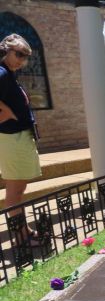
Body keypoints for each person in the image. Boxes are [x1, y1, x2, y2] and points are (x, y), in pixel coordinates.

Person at [0, 33, 42, 240]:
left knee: (18, 189)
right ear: (5, 51)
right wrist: (6, 113)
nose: (22, 60)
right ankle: (20, 237)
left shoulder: (8, 73)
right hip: (12, 138)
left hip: (18, 137)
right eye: (18, 54)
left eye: (25, 56)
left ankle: (22, 231)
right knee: (15, 192)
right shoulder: (1, 73)